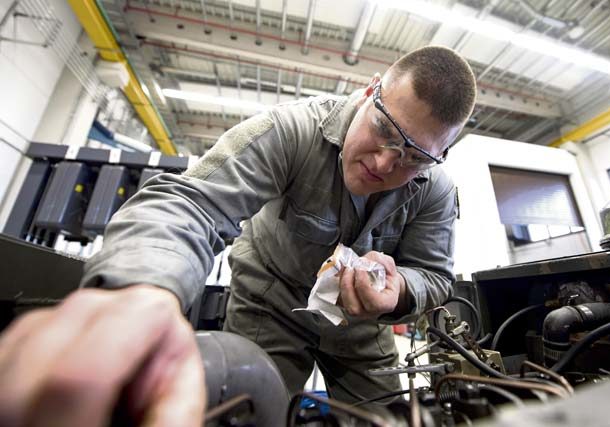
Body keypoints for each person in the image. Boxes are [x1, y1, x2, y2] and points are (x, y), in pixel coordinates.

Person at [0, 46, 476, 425]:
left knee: (397, 419)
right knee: (251, 409)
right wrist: (139, 292)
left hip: (360, 328)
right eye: (385, 130)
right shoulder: (293, 131)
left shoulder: (434, 189)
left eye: (415, 156)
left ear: (439, 156)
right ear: (371, 91)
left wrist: (400, 291)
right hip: (270, 303)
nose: (386, 162)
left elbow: (434, 276)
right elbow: (193, 204)